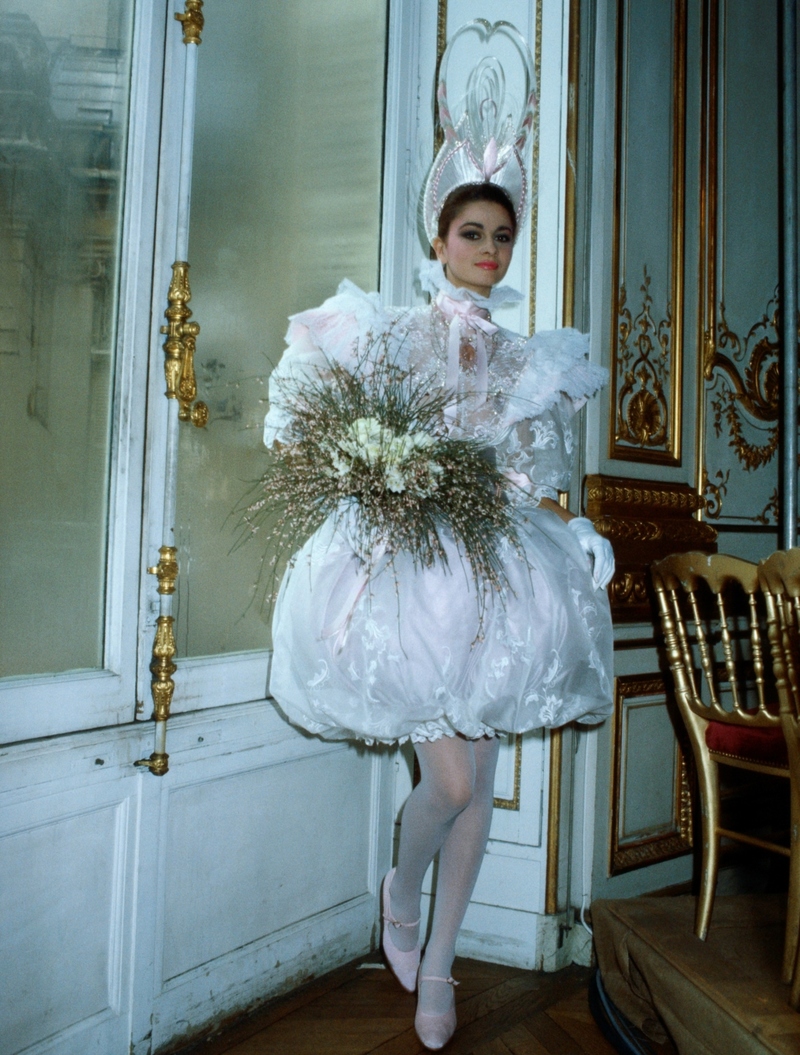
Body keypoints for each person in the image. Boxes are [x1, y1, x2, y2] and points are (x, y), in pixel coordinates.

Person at [263, 21, 614, 1051]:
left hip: (500, 568)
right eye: (471, 233)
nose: (488, 252)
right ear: (437, 237)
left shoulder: (525, 355)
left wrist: (574, 522)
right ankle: (400, 885)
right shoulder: (384, 329)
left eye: (500, 237)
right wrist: (371, 469)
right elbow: (305, 423)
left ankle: (439, 969)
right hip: (410, 564)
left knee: (482, 781)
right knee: (447, 780)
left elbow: (528, 471)